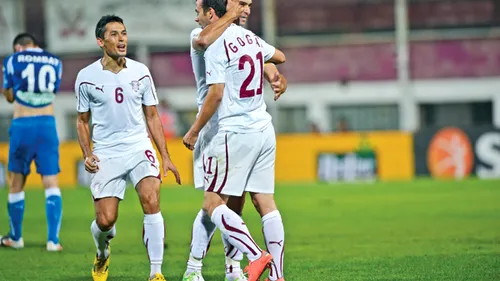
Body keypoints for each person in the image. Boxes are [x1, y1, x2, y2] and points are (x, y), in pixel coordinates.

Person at [183, 0, 288, 281]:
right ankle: (266, 275)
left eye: (198, 12)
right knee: (254, 202)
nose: (196, 19)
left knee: (212, 203)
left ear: (211, 12)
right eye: (243, 4)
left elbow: (216, 93)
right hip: (262, 127)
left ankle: (237, 260)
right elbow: (276, 56)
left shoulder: (215, 42)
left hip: (224, 129)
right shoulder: (241, 37)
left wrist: (193, 131)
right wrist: (274, 74)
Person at [74, 15, 181, 281]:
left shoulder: (141, 71)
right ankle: (102, 252)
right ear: (100, 41)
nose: (121, 39)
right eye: (114, 34)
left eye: (124, 33)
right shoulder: (86, 77)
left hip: (138, 146)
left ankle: (156, 273)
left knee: (151, 200)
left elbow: (153, 116)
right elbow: (82, 121)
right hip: (107, 152)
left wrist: (164, 155)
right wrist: (87, 154)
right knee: (105, 221)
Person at [0, 33, 63, 252]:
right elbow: (50, 92)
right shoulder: (55, 61)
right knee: (51, 182)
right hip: (47, 124)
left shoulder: (12, 60)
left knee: (16, 181)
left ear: (18, 47)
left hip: (23, 124)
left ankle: (16, 238)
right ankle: (53, 241)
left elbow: (10, 96)